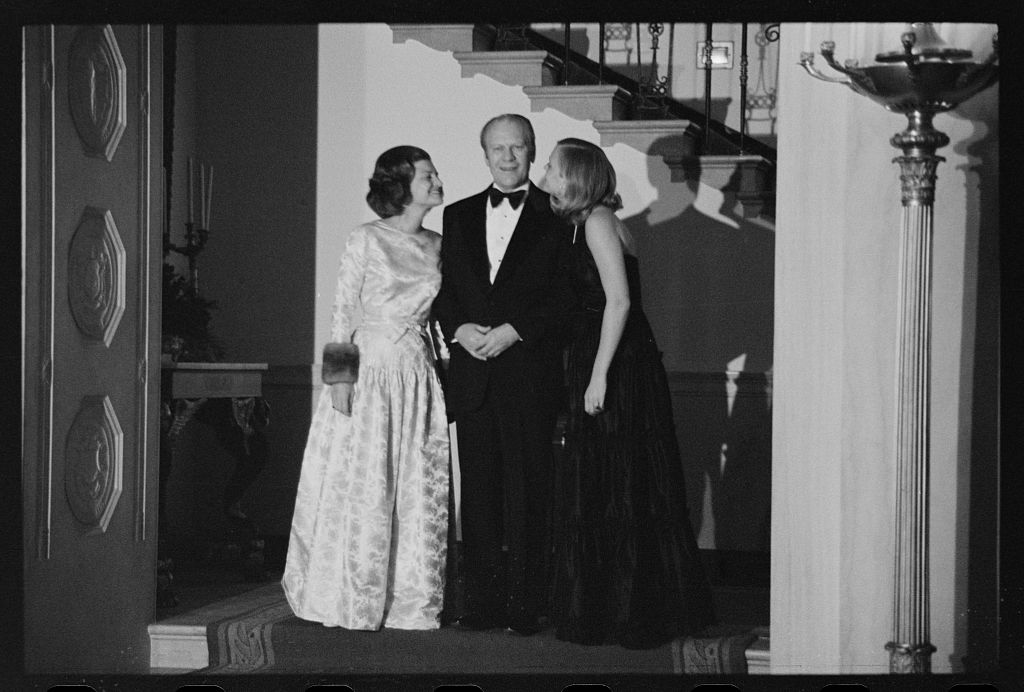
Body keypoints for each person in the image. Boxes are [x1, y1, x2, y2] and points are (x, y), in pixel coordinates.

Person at [538, 137, 715, 649]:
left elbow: (618, 302)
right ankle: (618, 608)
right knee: (617, 480)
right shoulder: (587, 221)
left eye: (551, 164)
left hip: (614, 364)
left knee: (619, 481)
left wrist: (598, 376)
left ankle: (624, 613)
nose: (544, 170)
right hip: (611, 359)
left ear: (573, 175)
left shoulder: (595, 221)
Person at [281, 146, 450, 631]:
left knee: (416, 482)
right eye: (426, 175)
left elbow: (440, 320)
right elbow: (342, 311)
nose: (437, 180)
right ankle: (353, 594)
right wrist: (339, 380)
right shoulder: (366, 239)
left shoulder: (440, 245)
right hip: (371, 369)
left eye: (435, 172)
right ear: (400, 184)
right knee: (367, 479)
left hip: (416, 373)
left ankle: (410, 601)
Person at [433, 114, 573, 635]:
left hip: (528, 374)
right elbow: (446, 288)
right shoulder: (458, 214)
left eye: (518, 147)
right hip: (473, 375)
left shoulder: (559, 215)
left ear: (532, 152)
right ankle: (483, 605)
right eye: (498, 148)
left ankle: (526, 606)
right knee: (481, 496)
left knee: (531, 493)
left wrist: (516, 330)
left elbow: (567, 296)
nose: (508, 157)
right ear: (484, 153)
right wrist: (458, 327)